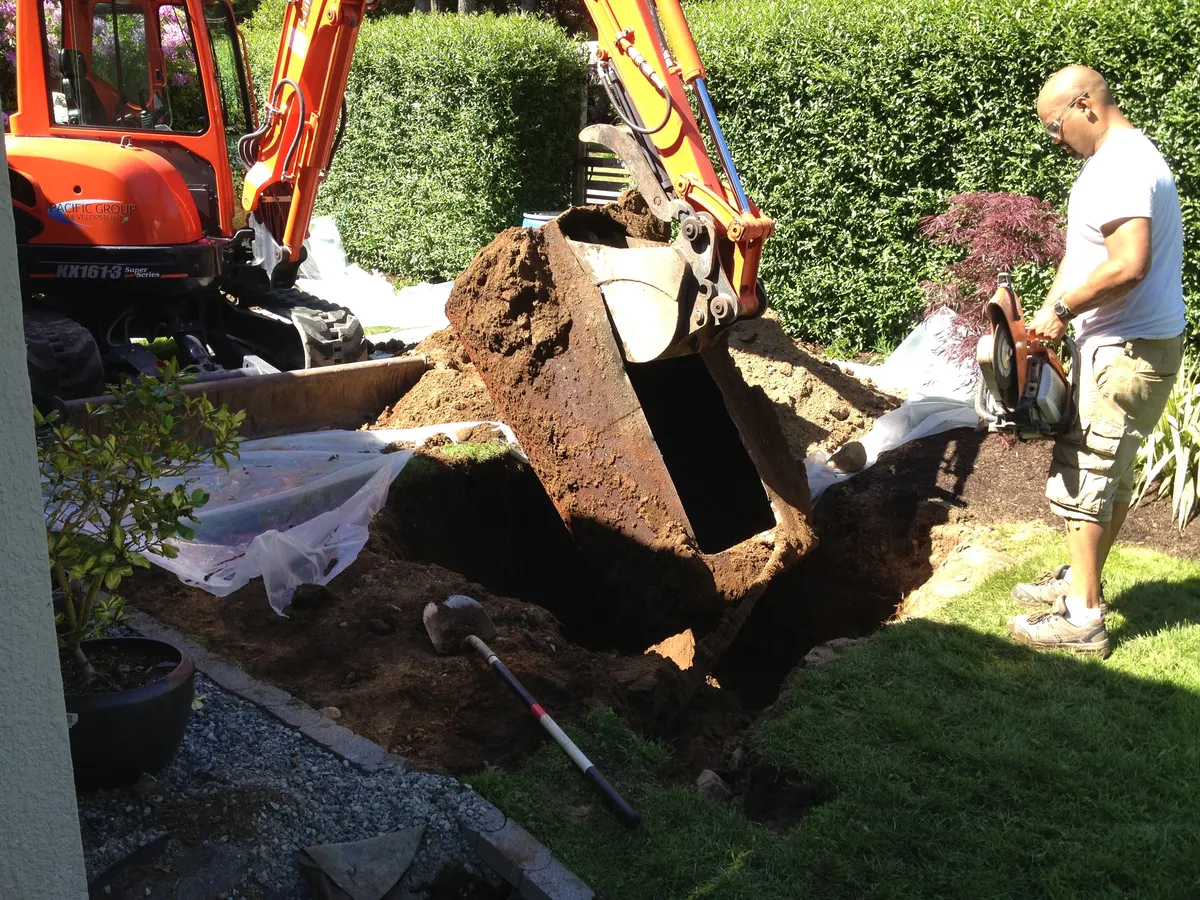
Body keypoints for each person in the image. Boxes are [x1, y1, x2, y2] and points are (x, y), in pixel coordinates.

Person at [1006, 65, 1187, 658]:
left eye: (1055, 126)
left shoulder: (1121, 168)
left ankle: (1083, 619)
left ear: (1086, 105)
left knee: (1086, 473)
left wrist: (1063, 309)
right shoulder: (1118, 161)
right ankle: (1081, 582)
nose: (1053, 138)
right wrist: (1048, 314)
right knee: (1104, 473)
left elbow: (1128, 264)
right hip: (1131, 345)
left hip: (1125, 351)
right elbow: (1085, 254)